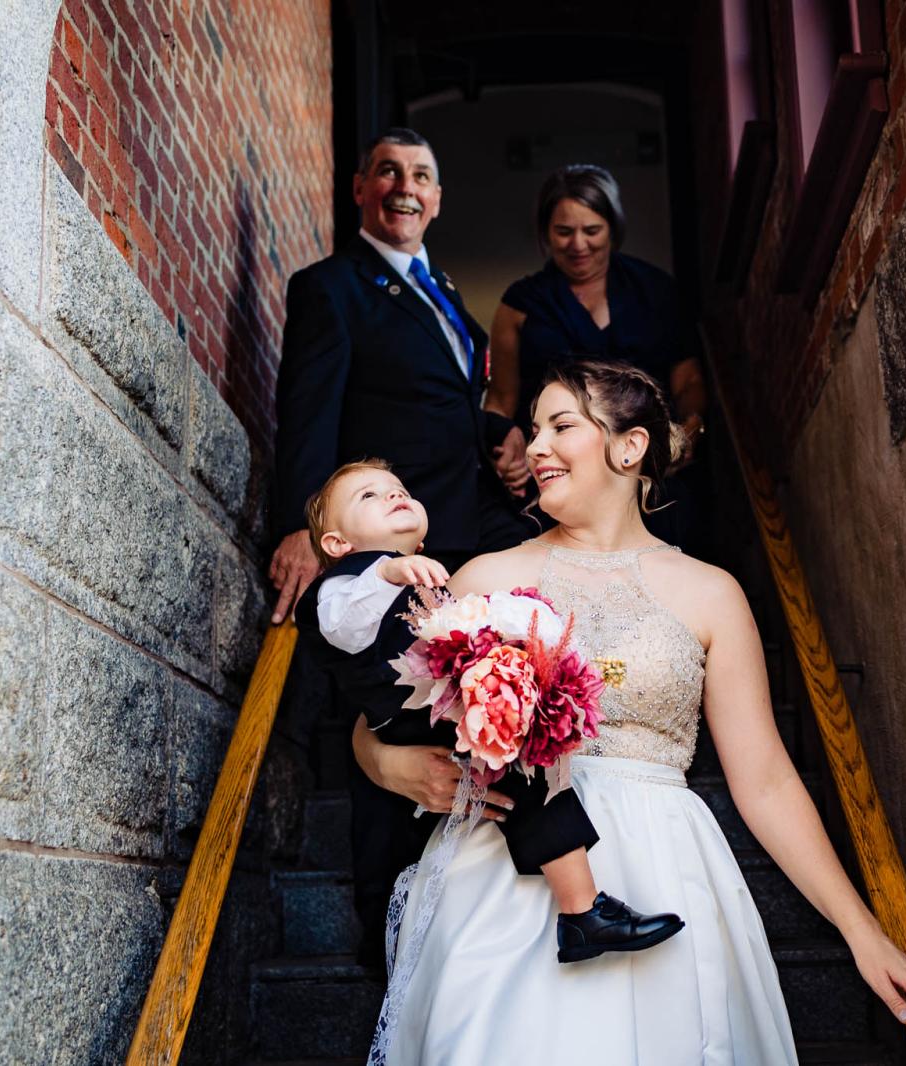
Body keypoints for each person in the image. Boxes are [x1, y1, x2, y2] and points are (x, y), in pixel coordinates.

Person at [353, 360, 906, 1063]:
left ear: (630, 446)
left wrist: (866, 933)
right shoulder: (485, 577)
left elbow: (765, 779)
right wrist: (387, 763)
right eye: (531, 432)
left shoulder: (712, 593)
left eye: (560, 426)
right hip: (504, 872)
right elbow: (381, 711)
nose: (535, 448)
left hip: (665, 861)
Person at [270, 127, 534, 963]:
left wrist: (500, 436)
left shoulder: (446, 290)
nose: (404, 186)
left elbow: (444, 403)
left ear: (440, 196)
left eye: (421, 173)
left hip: (460, 530)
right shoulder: (331, 287)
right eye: (387, 171)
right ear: (359, 190)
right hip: (383, 551)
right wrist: (306, 532)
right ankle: (389, 946)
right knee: (397, 729)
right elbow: (309, 411)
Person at [296, 458, 684, 966]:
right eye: (368, 497)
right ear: (337, 546)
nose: (393, 495)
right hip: (407, 722)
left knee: (528, 770)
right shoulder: (342, 587)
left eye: (398, 488)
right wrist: (387, 570)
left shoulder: (430, 581)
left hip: (444, 711)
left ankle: (581, 911)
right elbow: (340, 623)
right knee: (520, 766)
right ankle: (582, 911)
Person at [484, 165, 709, 556]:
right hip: (558, 476)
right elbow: (501, 399)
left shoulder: (656, 290)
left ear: (613, 228)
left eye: (592, 231)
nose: (578, 245)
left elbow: (687, 379)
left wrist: (690, 428)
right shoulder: (519, 303)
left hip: (648, 475)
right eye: (563, 231)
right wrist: (504, 441)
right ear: (545, 233)